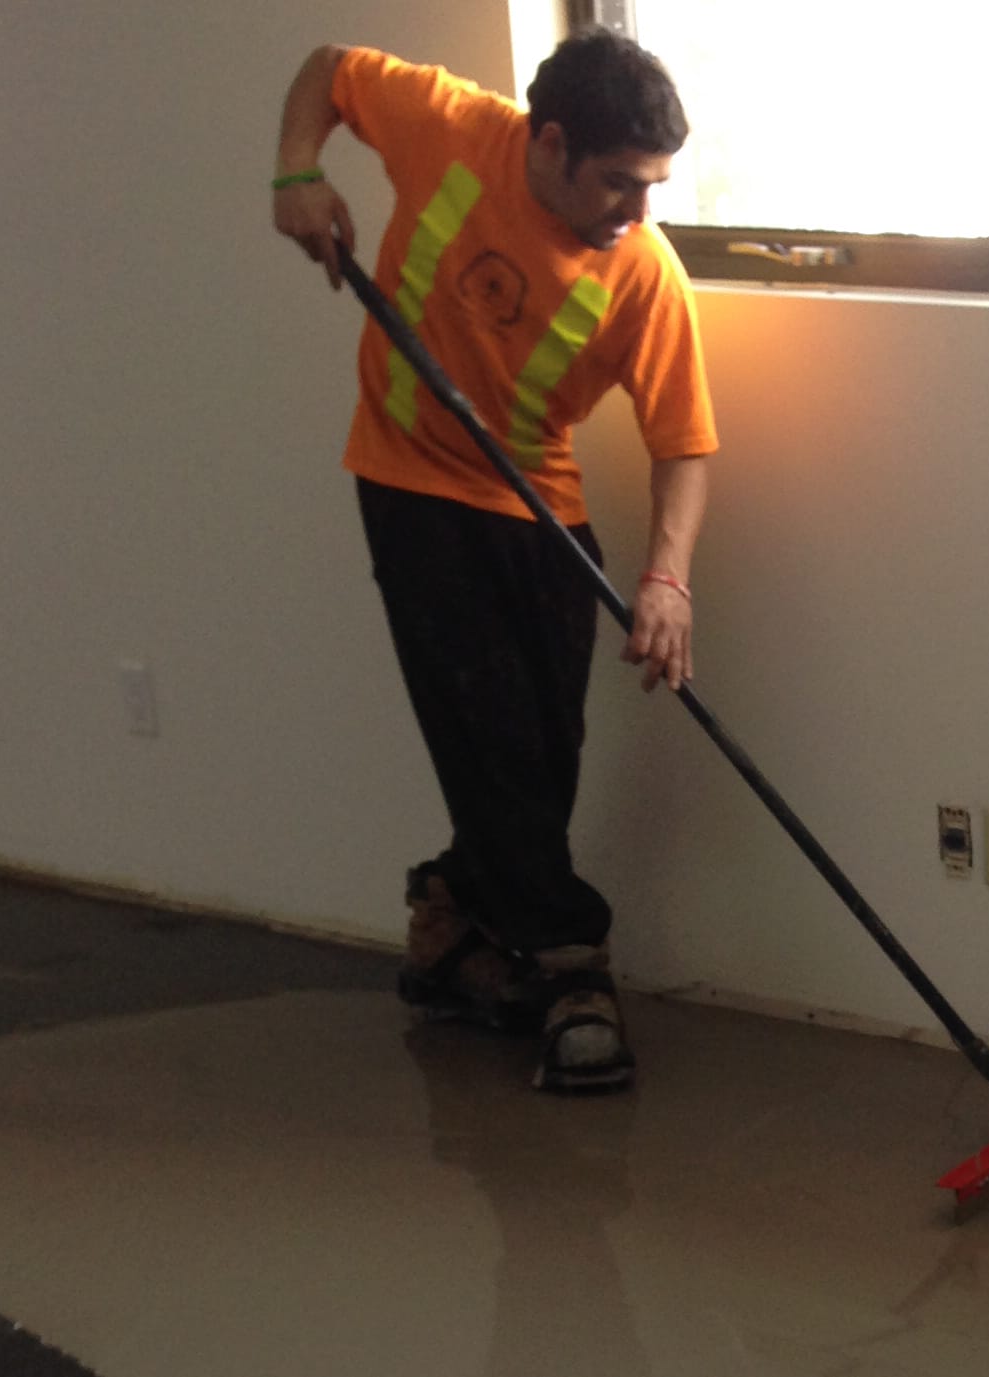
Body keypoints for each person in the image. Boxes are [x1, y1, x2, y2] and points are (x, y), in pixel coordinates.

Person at [270, 31, 718, 1093]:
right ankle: (573, 971)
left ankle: (453, 925)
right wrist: (297, 172)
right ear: (550, 143)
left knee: (543, 747)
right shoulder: (451, 127)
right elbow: (328, 67)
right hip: (410, 482)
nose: (635, 211)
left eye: (652, 187)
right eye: (618, 183)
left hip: (536, 505)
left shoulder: (643, 274)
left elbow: (684, 441)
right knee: (495, 737)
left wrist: (666, 579)